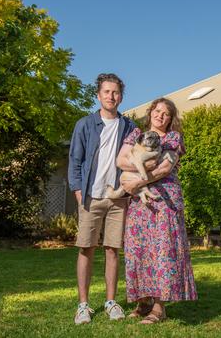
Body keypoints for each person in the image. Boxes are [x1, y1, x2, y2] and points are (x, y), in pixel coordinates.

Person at [117, 98, 197, 324]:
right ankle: (143, 302)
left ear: (171, 119)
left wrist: (138, 181)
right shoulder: (135, 134)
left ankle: (159, 308)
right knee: (138, 249)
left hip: (165, 199)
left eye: (166, 113)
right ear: (151, 112)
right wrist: (139, 170)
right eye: (157, 111)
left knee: (163, 250)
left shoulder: (173, 138)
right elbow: (120, 160)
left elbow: (165, 167)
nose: (160, 116)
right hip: (140, 203)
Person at [68, 73, 137, 325]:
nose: (111, 96)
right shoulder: (85, 124)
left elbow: (136, 158)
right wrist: (77, 190)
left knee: (112, 250)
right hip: (91, 196)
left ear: (121, 96)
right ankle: (83, 305)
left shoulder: (129, 126)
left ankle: (110, 301)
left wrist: (129, 190)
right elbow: (75, 160)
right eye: (107, 92)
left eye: (116, 92)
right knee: (86, 249)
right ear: (98, 95)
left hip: (118, 198)